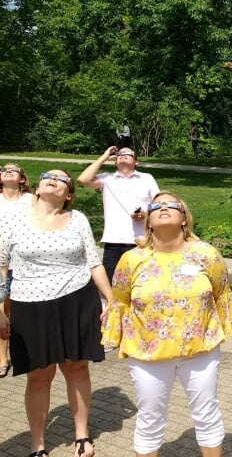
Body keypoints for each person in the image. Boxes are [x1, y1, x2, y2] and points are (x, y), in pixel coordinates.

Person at [101, 191, 232, 457]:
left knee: (206, 413)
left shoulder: (206, 254)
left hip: (200, 350)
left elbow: (221, 291)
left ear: (184, 217)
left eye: (171, 205)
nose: (163, 208)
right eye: (156, 206)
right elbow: (120, 300)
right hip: (147, 353)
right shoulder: (132, 259)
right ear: (149, 220)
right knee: (150, 417)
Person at [0, 169, 113, 457]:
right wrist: (0, 307)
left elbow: (94, 263)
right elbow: (1, 265)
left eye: (61, 179)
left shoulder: (78, 219)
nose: (53, 179)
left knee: (77, 368)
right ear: (37, 188)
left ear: (69, 195)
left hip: (76, 300)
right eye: (48, 175)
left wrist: (112, 301)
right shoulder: (12, 220)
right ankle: (37, 444)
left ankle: (82, 436)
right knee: (39, 375)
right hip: (29, 303)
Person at [77, 146, 160, 282]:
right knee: (112, 283)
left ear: (136, 162)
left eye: (128, 153)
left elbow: (159, 203)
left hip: (141, 241)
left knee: (143, 283)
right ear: (115, 161)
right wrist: (104, 157)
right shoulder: (107, 179)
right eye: (120, 153)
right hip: (113, 242)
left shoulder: (146, 178)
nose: (123, 154)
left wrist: (146, 215)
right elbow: (83, 179)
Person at [0, 162, 34, 378]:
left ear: (22, 178)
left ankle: (29, 352)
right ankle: (2, 358)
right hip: (0, 262)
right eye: (3, 169)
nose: (7, 171)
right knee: (2, 309)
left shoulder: (31, 200)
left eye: (13, 169)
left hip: (25, 261)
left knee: (20, 310)